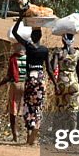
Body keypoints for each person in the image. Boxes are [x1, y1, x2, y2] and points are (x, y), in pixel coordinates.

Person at [12, 15, 53, 145]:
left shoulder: (28, 47)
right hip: (40, 80)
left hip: (30, 80)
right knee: (38, 106)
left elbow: (14, 33)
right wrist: (55, 84)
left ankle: (30, 131)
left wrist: (20, 18)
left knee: (28, 105)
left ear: (32, 36)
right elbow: (49, 69)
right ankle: (36, 127)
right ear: (40, 37)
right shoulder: (44, 50)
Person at [0, 43, 28, 142]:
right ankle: (29, 134)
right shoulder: (29, 58)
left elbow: (8, 76)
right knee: (26, 109)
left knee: (13, 111)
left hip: (15, 85)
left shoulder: (13, 58)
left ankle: (15, 135)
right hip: (27, 85)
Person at [49, 34, 79, 114]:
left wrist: (54, 57)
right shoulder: (78, 53)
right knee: (73, 112)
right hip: (73, 85)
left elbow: (53, 68)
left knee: (60, 111)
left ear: (62, 40)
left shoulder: (59, 52)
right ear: (73, 40)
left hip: (61, 85)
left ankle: (62, 126)